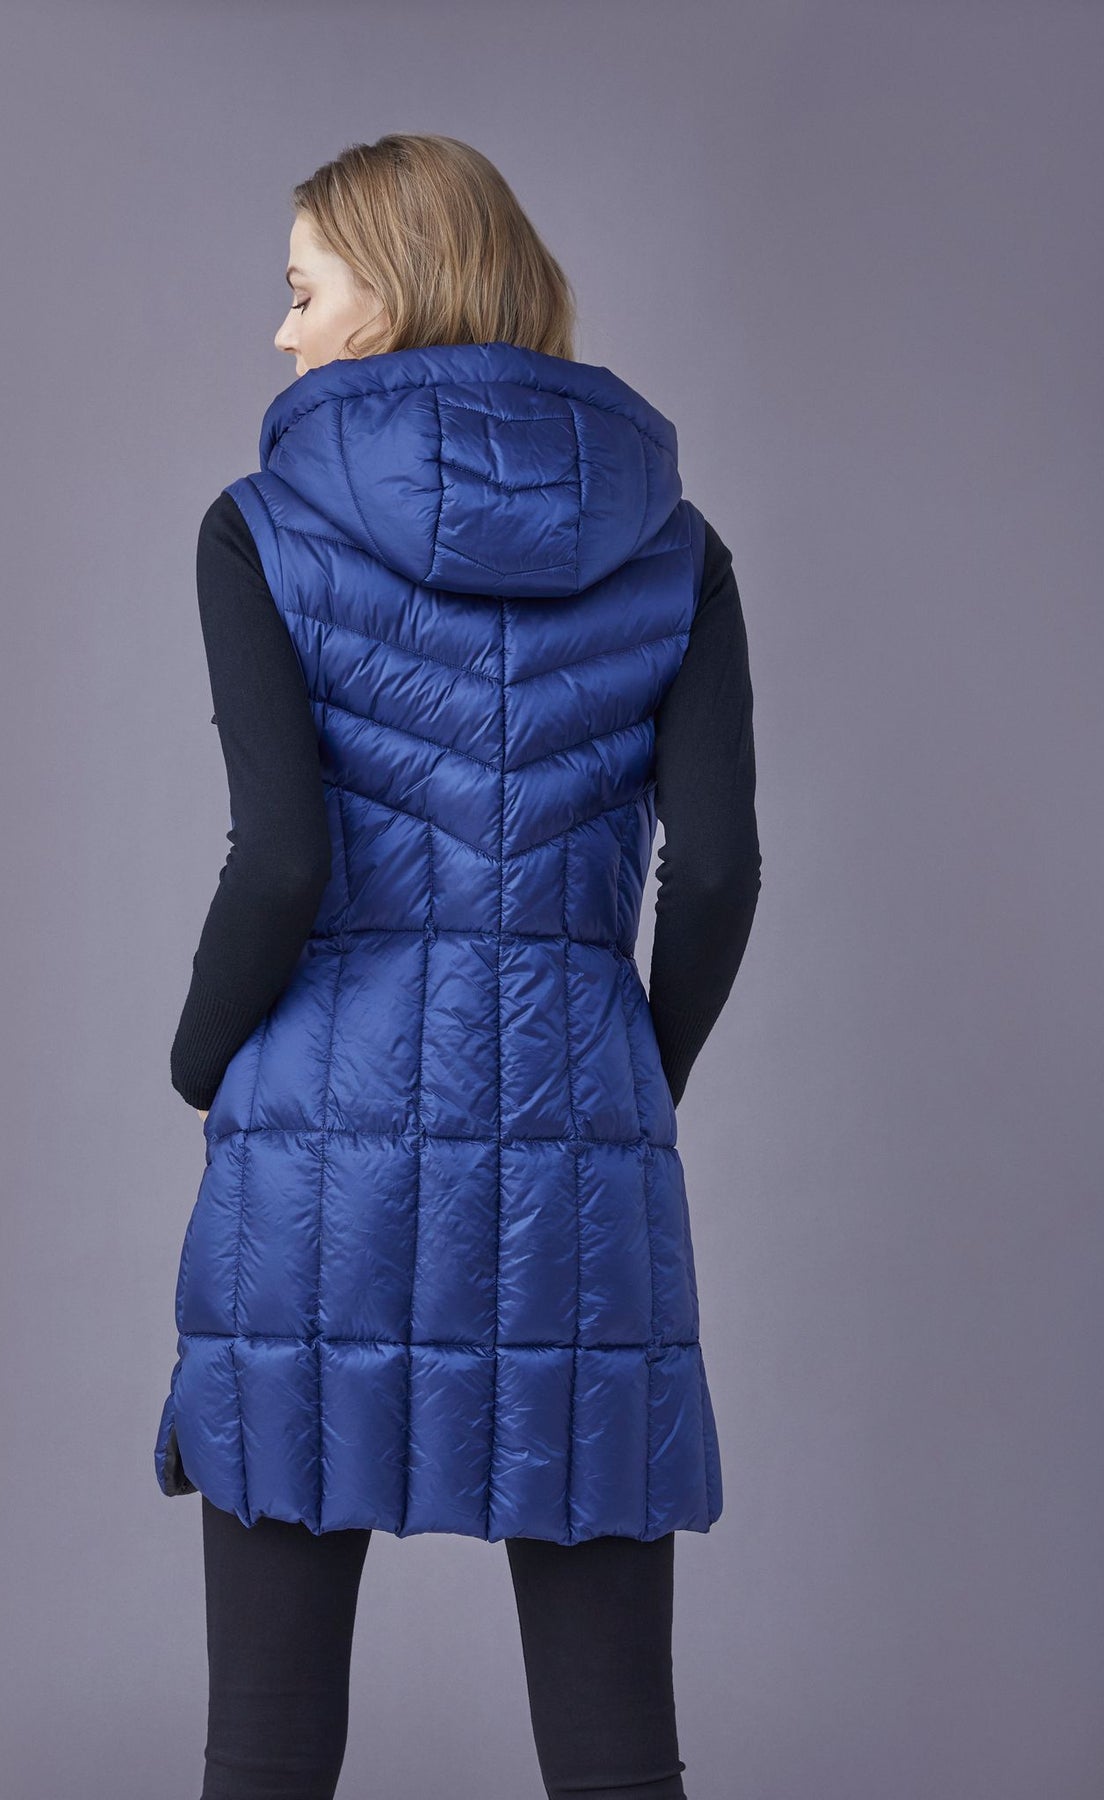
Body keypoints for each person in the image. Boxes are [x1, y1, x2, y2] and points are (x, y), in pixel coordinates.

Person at [155, 133, 762, 1800]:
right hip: (581, 1153)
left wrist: (199, 1059)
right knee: (618, 1748)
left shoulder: (259, 529)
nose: (281, 331)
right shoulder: (676, 544)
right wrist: (634, 1071)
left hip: (317, 1154)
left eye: (302, 291)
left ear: (391, 294)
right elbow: (717, 869)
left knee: (268, 1744)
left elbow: (282, 861)